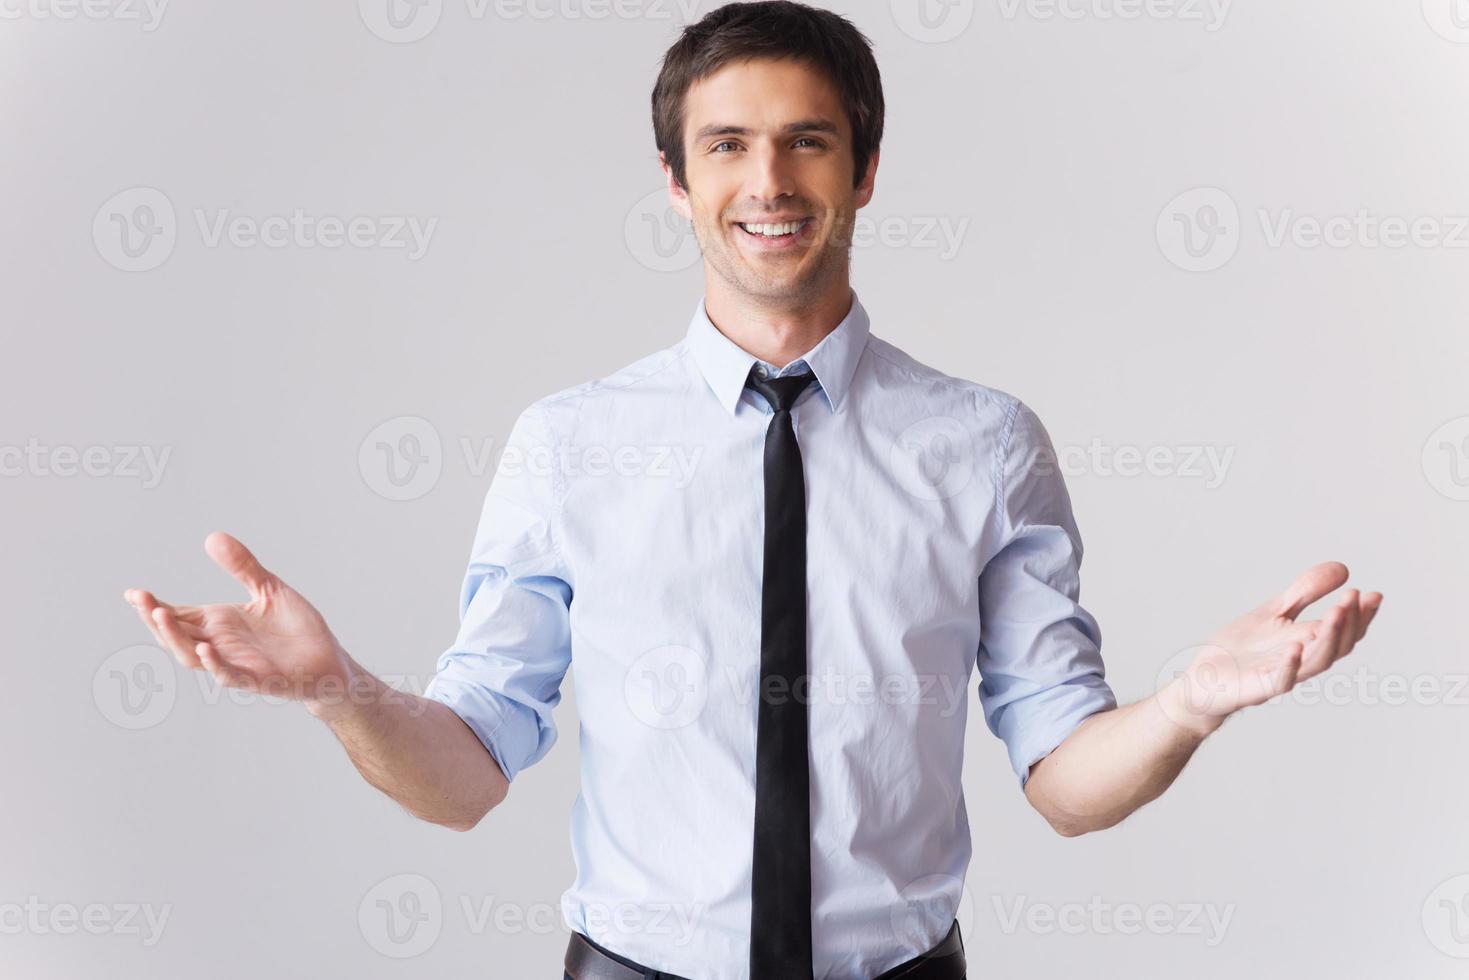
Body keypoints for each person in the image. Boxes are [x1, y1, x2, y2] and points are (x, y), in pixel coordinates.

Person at [122, 3, 1382, 978]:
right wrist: (336, 687)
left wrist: (1189, 705)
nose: (767, 182)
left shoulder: (984, 443)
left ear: (864, 169)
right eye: (726, 145)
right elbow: (467, 773)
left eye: (806, 141)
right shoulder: (571, 442)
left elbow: (1061, 778)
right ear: (676, 181)